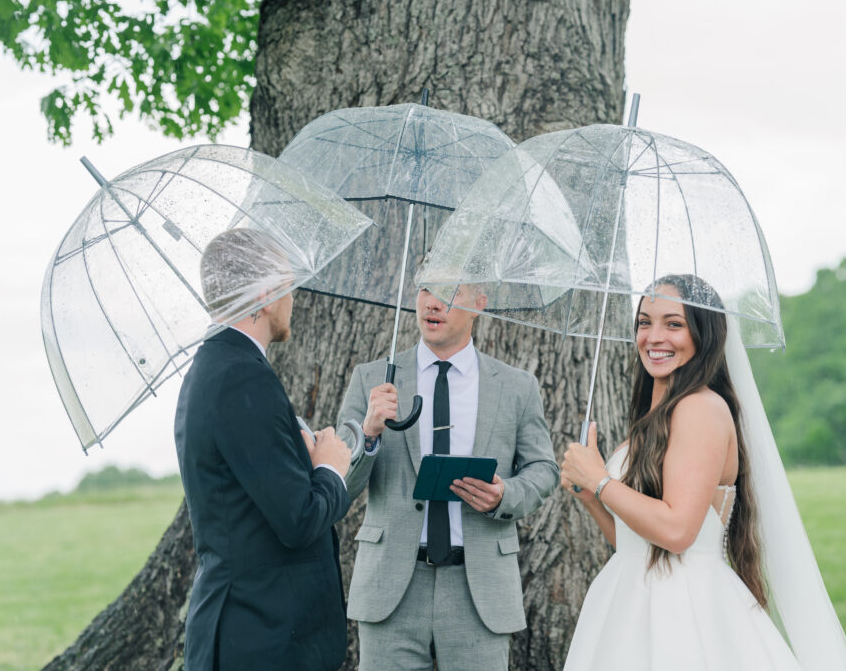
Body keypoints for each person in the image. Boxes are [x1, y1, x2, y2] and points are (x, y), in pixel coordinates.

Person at [560, 274, 846, 670]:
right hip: (628, 600)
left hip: (683, 608)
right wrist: (590, 495)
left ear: (705, 335)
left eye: (674, 323)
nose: (654, 336)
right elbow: (637, 543)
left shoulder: (700, 409)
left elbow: (678, 532)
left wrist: (601, 481)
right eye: (644, 322)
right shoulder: (654, 418)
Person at [336, 284, 559, 671]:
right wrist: (369, 433)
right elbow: (340, 483)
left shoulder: (516, 386)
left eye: (448, 291)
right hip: (392, 589)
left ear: (479, 304)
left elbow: (544, 470)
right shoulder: (372, 379)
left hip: (478, 591)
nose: (432, 302)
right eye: (425, 289)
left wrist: (506, 494)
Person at [175, 228, 353, 671]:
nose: (294, 298)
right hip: (262, 639)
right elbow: (298, 520)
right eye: (289, 286)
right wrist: (330, 469)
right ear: (267, 294)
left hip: (248, 633)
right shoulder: (241, 377)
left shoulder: (214, 367)